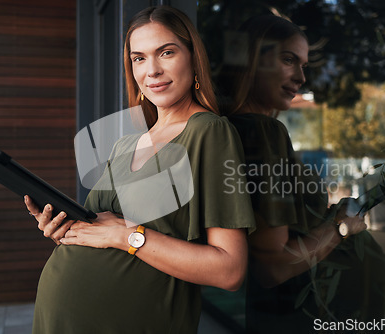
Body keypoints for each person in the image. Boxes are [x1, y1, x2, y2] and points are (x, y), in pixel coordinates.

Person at [24, 6, 255, 334]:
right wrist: (64, 230)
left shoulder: (209, 133)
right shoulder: (125, 146)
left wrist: (124, 235)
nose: (153, 71)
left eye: (167, 52)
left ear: (193, 57)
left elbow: (230, 270)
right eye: (139, 58)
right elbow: (102, 234)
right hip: (59, 319)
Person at [220, 15, 385, 333]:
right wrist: (341, 228)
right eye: (288, 60)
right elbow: (272, 266)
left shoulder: (232, 129)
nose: (300, 77)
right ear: (252, 61)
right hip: (307, 315)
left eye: (303, 66)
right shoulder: (262, 133)